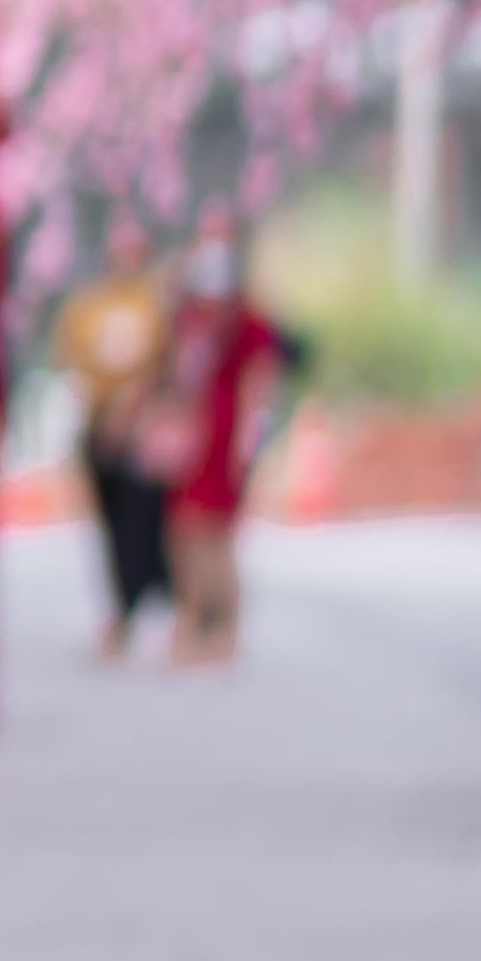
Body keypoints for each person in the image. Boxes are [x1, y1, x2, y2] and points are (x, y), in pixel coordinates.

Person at [139, 229, 304, 667]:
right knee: (183, 532)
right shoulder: (188, 319)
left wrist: (251, 441)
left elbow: (262, 381)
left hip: (226, 430)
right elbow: (173, 369)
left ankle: (224, 630)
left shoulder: (249, 323)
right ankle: (191, 620)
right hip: (190, 429)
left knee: (216, 535)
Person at [47, 222, 178, 657]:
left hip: (144, 428)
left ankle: (156, 602)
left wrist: (135, 410)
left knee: (147, 520)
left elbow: (165, 362)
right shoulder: (88, 305)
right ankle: (121, 610)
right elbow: (72, 360)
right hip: (100, 422)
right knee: (109, 523)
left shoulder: (157, 304)